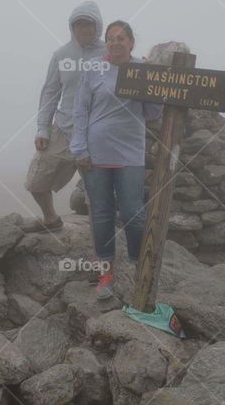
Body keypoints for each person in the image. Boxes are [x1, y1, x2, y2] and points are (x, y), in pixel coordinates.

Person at [70, 20, 163, 299]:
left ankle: (138, 267)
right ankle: (106, 274)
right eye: (111, 38)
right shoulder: (94, 69)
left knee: (133, 213)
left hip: (130, 153)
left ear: (132, 43)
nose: (115, 42)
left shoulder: (141, 70)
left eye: (121, 38)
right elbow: (80, 110)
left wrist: (153, 84)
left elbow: (153, 113)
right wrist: (79, 149)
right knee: (101, 215)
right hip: (96, 153)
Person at [22, 1, 105, 233]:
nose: (84, 30)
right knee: (36, 180)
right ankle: (50, 219)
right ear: (72, 27)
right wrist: (42, 128)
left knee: (97, 190)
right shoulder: (61, 55)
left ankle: (98, 235)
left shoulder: (109, 54)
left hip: (95, 132)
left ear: (97, 26)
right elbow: (50, 92)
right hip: (63, 127)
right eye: (79, 25)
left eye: (89, 24)